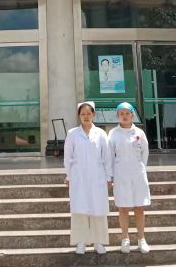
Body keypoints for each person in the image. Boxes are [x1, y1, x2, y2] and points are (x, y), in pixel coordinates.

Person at [64, 101, 112, 255]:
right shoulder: (72, 133)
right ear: (79, 116)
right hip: (78, 176)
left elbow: (107, 157)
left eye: (89, 113)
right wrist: (69, 176)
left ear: (93, 115)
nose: (86, 116)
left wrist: (109, 177)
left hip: (97, 175)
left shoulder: (101, 133)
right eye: (83, 114)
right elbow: (68, 157)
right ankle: (81, 241)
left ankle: (99, 241)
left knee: (98, 208)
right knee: (80, 208)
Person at [108, 101, 151, 254]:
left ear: (132, 115)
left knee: (139, 207)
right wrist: (110, 176)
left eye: (127, 113)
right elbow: (109, 156)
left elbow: (145, 152)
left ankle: (141, 238)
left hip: (137, 173)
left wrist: (141, 167)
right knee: (123, 207)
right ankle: (125, 238)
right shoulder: (113, 133)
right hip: (121, 173)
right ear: (117, 116)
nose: (124, 116)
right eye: (121, 114)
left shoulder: (139, 132)